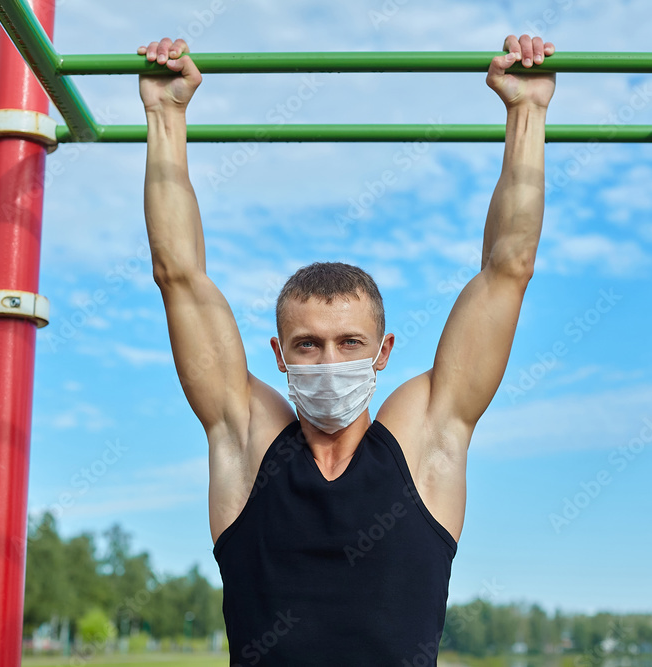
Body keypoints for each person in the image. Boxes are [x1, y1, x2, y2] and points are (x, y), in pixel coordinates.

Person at [138, 33, 555, 666]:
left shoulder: (426, 440)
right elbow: (178, 274)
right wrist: (166, 115)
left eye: (349, 342)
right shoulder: (247, 441)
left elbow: (509, 269)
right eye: (308, 344)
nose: (329, 361)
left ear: (383, 350)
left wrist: (525, 112)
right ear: (279, 353)